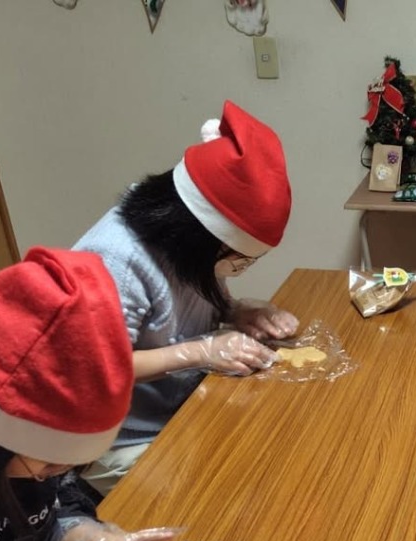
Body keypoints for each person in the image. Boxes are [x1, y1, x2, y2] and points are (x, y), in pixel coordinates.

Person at [74, 100, 298, 496]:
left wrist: (235, 311)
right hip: (118, 439)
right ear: (199, 236)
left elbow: (199, 295)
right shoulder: (116, 259)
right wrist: (200, 352)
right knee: (219, 495)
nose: (240, 266)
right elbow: (97, 371)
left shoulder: (186, 247)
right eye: (238, 257)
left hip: (181, 405)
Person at [0, 248, 179, 541]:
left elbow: (58, 496)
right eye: (48, 465)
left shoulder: (30, 459)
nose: (58, 473)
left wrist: (73, 533)